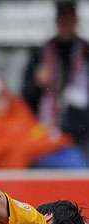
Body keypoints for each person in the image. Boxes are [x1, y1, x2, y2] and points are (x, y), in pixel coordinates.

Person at [0, 74, 87, 169]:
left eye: (2, 96)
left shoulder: (18, 109)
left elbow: (33, 135)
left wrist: (54, 139)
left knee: (72, 157)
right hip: (20, 170)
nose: (0, 102)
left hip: (38, 158)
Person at [22, 1, 89, 158]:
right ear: (57, 22)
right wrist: (37, 82)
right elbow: (25, 97)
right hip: (48, 130)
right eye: (62, 19)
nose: (66, 24)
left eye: (69, 19)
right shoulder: (41, 53)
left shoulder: (86, 52)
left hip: (84, 130)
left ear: (76, 20)